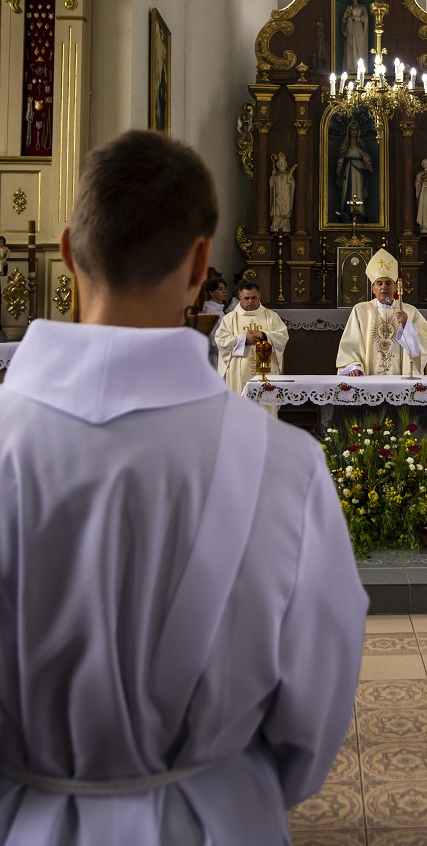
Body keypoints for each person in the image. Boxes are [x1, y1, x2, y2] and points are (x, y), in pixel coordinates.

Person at [0, 129, 367, 845]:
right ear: (202, 265)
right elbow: (314, 712)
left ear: (71, 250)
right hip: (211, 817)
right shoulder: (284, 467)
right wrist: (219, 778)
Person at [337, 248, 427, 376]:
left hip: (400, 378)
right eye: (379, 283)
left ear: (395, 287)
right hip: (368, 378)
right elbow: (351, 342)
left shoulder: (409, 311)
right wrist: (353, 365)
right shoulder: (360, 310)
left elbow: (425, 341)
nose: (384, 287)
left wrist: (407, 325)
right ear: (373, 289)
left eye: (388, 283)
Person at [216, 280, 288, 398]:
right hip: (238, 373)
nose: (250, 301)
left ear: (259, 297)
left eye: (254, 298)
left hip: (266, 369)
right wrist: (243, 339)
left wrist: (264, 335)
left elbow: (283, 336)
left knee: (266, 405)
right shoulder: (230, 318)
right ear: (240, 298)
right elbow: (221, 340)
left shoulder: (272, 317)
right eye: (246, 298)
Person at [336, 119, 373, 218]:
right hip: (347, 170)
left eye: (356, 129)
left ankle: (359, 212)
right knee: (346, 189)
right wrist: (339, 167)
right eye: (352, 129)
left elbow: (366, 156)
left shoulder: (360, 145)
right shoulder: (345, 145)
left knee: (359, 189)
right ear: (349, 131)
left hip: (359, 170)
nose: (354, 131)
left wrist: (368, 164)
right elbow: (341, 157)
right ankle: (347, 211)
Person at [341, 0, 368, 75]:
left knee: (359, 47)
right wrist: (348, 19)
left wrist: (356, 18)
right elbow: (343, 19)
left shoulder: (362, 7)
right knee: (351, 47)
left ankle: (359, 68)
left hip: (359, 29)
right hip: (351, 29)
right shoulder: (349, 8)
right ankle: (351, 67)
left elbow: (366, 19)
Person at [269, 151, 297, 233]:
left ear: (285, 164)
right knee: (277, 209)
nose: (281, 165)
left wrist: (290, 182)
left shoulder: (288, 174)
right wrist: (273, 175)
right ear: (277, 165)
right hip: (278, 195)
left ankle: (285, 224)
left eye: (283, 163)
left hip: (286, 195)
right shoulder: (276, 175)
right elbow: (272, 184)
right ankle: (276, 224)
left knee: (286, 209)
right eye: (280, 163)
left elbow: (293, 183)